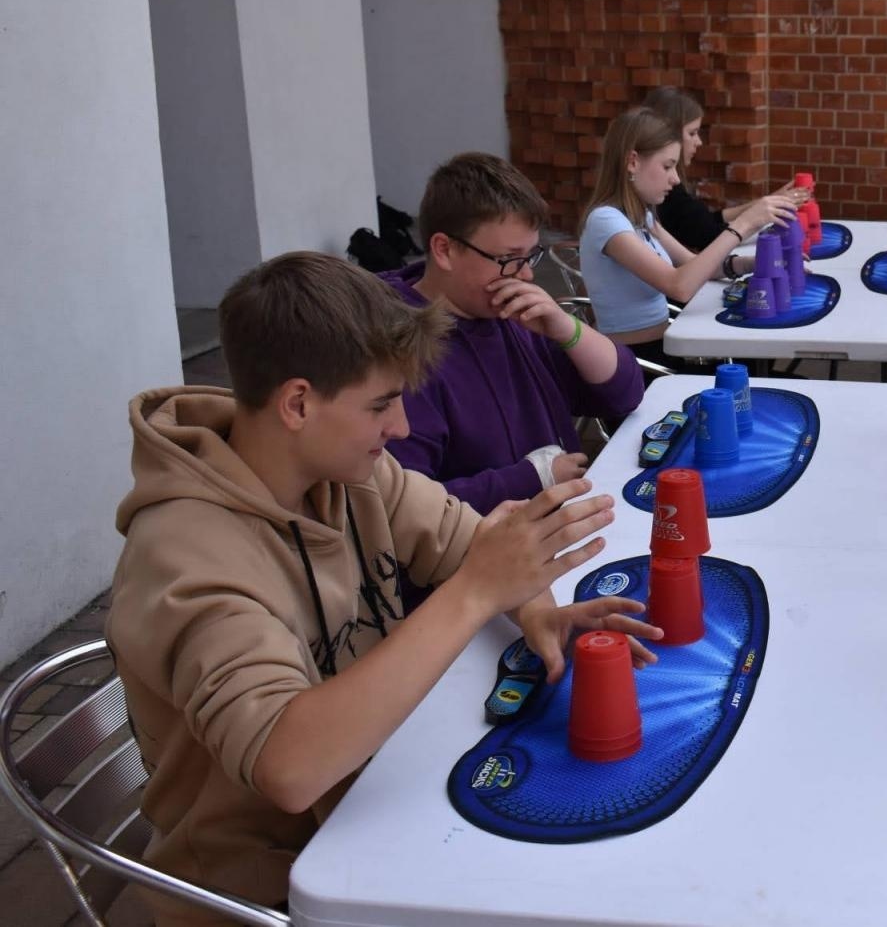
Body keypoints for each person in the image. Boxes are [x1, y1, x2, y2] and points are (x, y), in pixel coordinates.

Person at [106, 253, 660, 925]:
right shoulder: (184, 557)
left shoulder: (348, 471)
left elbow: (470, 546)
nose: (400, 427)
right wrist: (475, 593)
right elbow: (290, 766)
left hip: (378, 808)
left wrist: (539, 612)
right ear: (299, 403)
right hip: (262, 893)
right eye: (380, 404)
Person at [381, 152, 644, 515]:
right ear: (444, 250)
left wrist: (566, 327)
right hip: (489, 553)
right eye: (509, 259)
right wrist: (532, 478)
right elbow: (406, 508)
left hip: (556, 526)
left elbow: (624, 394)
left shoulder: (512, 314)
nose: (526, 276)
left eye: (530, 257)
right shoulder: (400, 352)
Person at [578, 106, 790, 371]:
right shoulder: (606, 221)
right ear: (632, 162)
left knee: (755, 363)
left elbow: (694, 264)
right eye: (667, 166)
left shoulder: (640, 216)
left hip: (663, 348)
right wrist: (742, 226)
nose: (675, 178)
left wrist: (750, 264)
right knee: (755, 373)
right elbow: (679, 286)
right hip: (637, 364)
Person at [642, 85, 807, 251]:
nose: (698, 141)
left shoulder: (668, 192)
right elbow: (709, 236)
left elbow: (706, 221)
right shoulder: (662, 195)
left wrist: (765, 204)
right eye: (692, 133)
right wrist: (758, 218)